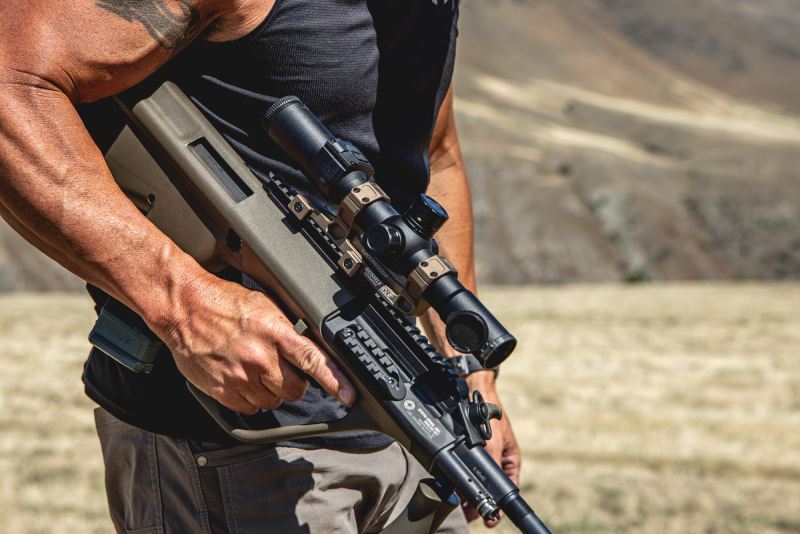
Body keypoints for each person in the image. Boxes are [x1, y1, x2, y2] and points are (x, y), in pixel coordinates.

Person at [0, 1, 520, 532]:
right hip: (233, 450)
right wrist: (182, 303)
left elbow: (435, 157)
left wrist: (470, 377)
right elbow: (8, 81)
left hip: (413, 434)